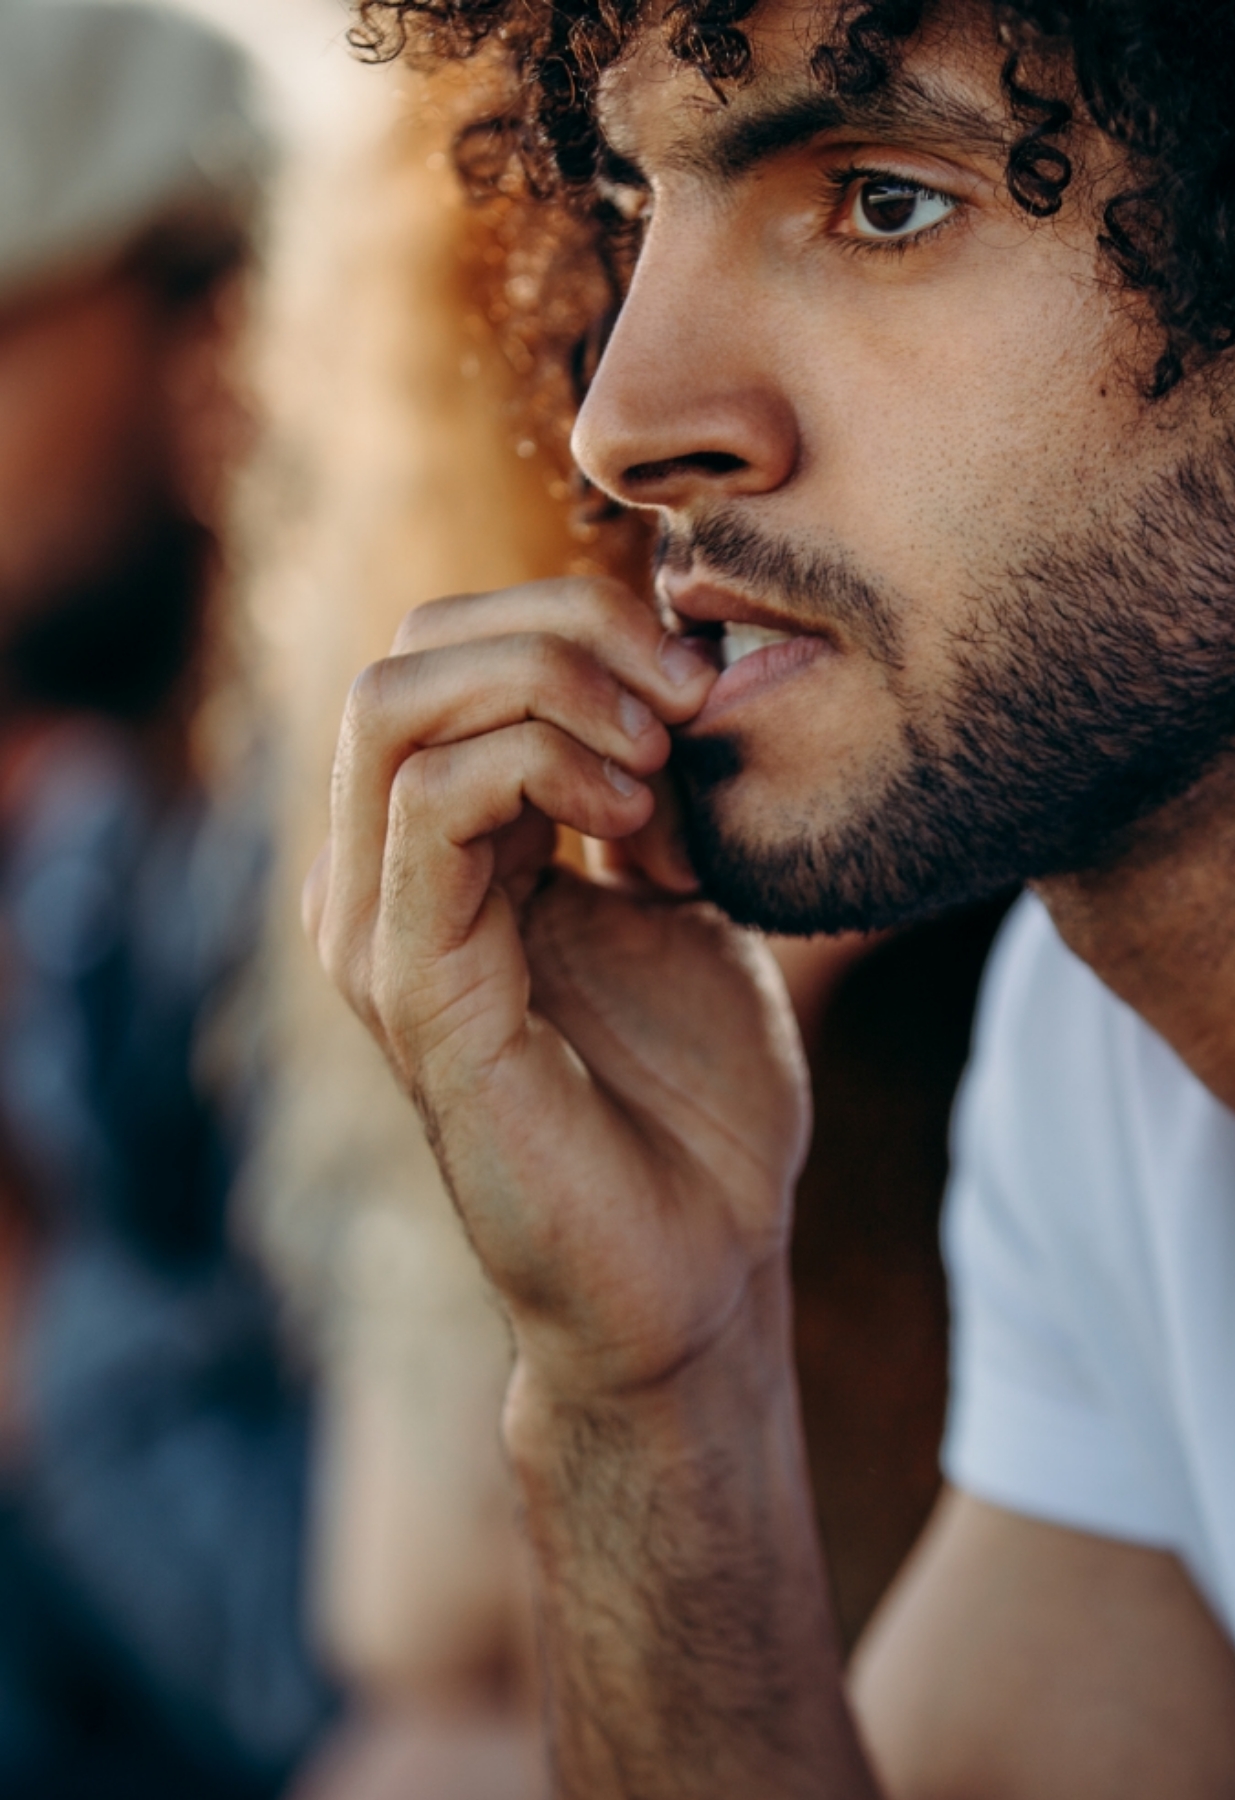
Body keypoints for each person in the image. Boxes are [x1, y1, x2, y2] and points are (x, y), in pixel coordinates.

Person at [315, 1, 1235, 1795]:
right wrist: (651, 1387)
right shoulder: (1115, 1040)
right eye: (638, 210)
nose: (626, 425)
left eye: (880, 201)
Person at [0, 4, 336, 1793]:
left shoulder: (414, 864)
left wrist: (25, 1311)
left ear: (226, 325)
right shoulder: (84, 847)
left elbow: (379, 1693)